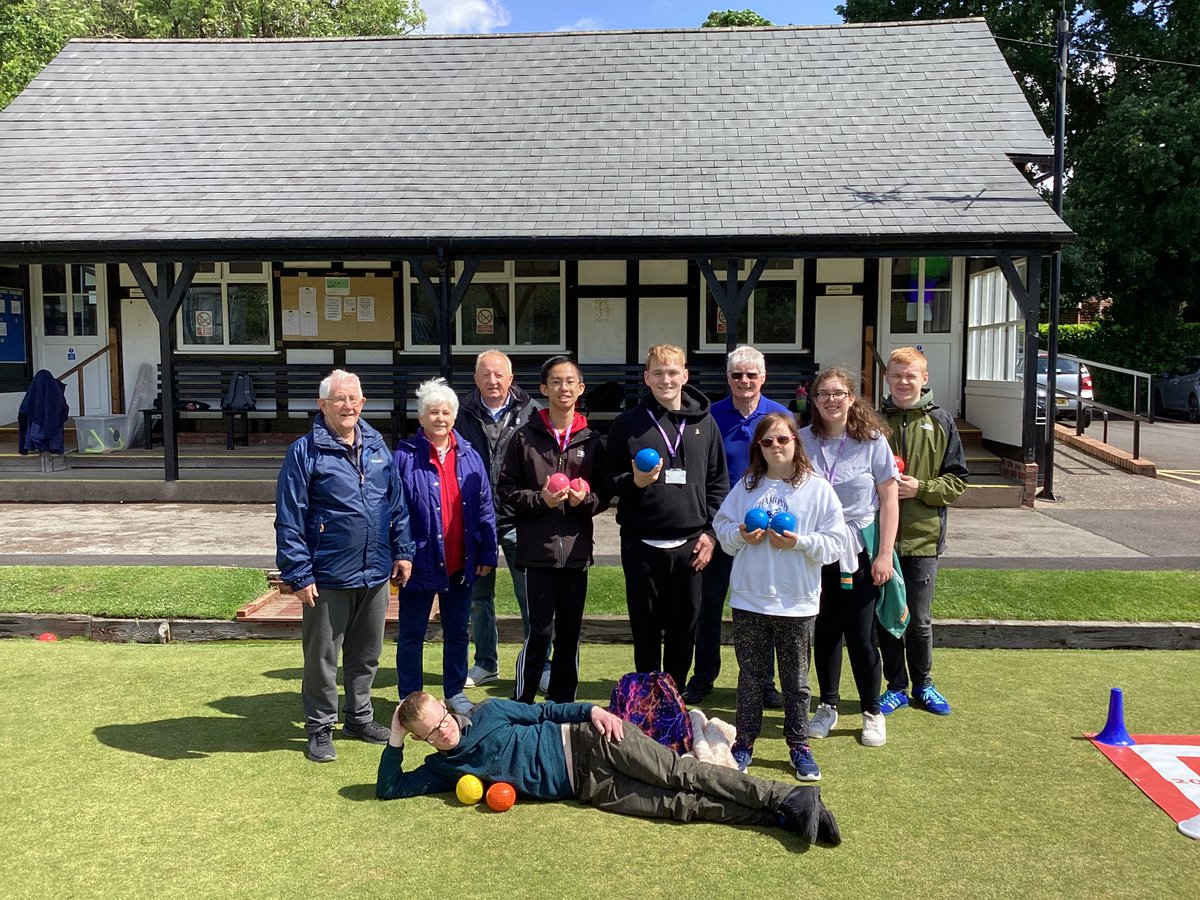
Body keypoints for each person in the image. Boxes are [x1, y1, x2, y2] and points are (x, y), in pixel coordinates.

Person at [376, 691, 841, 847]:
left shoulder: (490, 712)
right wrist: (395, 736)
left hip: (593, 740)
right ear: (421, 739)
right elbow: (389, 788)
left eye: (442, 719)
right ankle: (780, 816)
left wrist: (592, 710)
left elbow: (545, 711)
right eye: (431, 732)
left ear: (446, 708)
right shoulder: (443, 769)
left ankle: (785, 795)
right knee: (679, 807)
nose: (444, 732)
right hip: (590, 788)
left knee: (683, 774)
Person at [275, 369, 415, 763]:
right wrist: (299, 573)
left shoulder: (378, 446)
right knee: (323, 657)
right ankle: (320, 727)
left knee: (366, 653)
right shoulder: (304, 452)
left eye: (354, 398)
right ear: (322, 405)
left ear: (363, 403)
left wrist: (403, 551)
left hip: (375, 571)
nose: (348, 405)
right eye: (339, 398)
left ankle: (359, 718)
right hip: (327, 575)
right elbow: (289, 517)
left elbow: (396, 504)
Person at [713, 413, 845, 781]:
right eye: (767, 441)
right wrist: (741, 535)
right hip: (750, 599)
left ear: (795, 442)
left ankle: (799, 745)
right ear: (758, 446)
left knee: (796, 682)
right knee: (751, 677)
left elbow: (836, 542)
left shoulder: (817, 489)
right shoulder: (747, 485)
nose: (775, 447)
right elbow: (722, 527)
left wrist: (799, 542)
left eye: (783, 439)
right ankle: (744, 742)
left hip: (797, 601)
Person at [603, 344, 729, 692]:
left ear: (685, 375)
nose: (665, 380)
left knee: (684, 629)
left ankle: (674, 698)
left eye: (673, 372)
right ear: (646, 378)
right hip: (641, 543)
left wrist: (711, 533)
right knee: (645, 628)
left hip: (691, 545)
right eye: (657, 373)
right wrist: (635, 482)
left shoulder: (705, 423)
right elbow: (609, 479)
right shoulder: (627, 424)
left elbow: (718, 483)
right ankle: (647, 699)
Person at [686, 346, 791, 708]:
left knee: (765, 609)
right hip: (721, 527)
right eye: (737, 375)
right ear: (727, 377)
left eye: (751, 375)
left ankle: (765, 682)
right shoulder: (710, 416)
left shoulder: (780, 417)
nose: (744, 381)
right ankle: (703, 677)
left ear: (763, 377)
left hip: (767, 531)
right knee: (708, 607)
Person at [498, 355, 608, 703]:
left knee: (570, 635)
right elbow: (506, 490)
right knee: (540, 632)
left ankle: (563, 704)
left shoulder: (592, 440)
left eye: (570, 381)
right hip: (538, 553)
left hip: (576, 553)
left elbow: (604, 495)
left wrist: (584, 501)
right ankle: (523, 702)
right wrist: (541, 500)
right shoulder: (524, 438)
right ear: (544, 389)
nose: (563, 388)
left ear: (581, 388)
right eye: (556, 382)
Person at [800, 366, 899, 748]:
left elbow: (889, 500)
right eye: (823, 394)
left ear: (851, 398)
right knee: (825, 632)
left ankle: (872, 711)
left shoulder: (873, 442)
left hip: (859, 550)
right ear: (814, 400)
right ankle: (827, 706)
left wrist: (885, 554)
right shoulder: (803, 439)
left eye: (837, 393)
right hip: (816, 551)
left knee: (861, 635)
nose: (830, 400)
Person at [393, 378, 498, 717]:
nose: (440, 418)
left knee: (457, 632)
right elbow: (394, 510)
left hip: (460, 561)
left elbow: (485, 507)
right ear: (421, 417)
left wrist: (487, 552)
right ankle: (409, 697)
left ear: (454, 416)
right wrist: (400, 553)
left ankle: (454, 691)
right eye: (433, 412)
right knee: (412, 634)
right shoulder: (403, 457)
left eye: (446, 412)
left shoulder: (470, 456)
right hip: (419, 561)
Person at [877, 348, 968, 717]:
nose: (903, 382)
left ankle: (924, 684)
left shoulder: (941, 421)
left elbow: (957, 480)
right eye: (896, 375)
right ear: (887, 378)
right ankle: (895, 687)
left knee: (918, 620)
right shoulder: (874, 421)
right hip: (880, 539)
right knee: (887, 617)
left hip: (922, 538)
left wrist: (921, 488)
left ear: (924, 379)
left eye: (910, 376)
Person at [455, 350, 541, 690]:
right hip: (476, 521)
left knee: (530, 598)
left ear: (511, 378)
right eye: (486, 375)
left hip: (520, 519)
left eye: (499, 374)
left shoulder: (532, 411)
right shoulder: (460, 412)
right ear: (476, 379)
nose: (493, 381)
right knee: (479, 600)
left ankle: (538, 664)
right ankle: (485, 663)